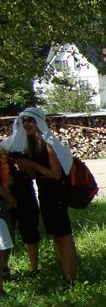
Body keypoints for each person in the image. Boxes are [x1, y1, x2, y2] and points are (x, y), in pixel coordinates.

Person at [0, 107, 77, 283]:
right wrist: (25, 168)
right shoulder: (34, 144)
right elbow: (37, 176)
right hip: (45, 195)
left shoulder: (48, 143)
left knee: (64, 237)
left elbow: (56, 174)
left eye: (31, 120)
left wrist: (31, 165)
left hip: (56, 196)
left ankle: (71, 278)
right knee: (57, 237)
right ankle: (67, 275)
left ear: (39, 122)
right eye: (24, 121)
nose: (27, 124)